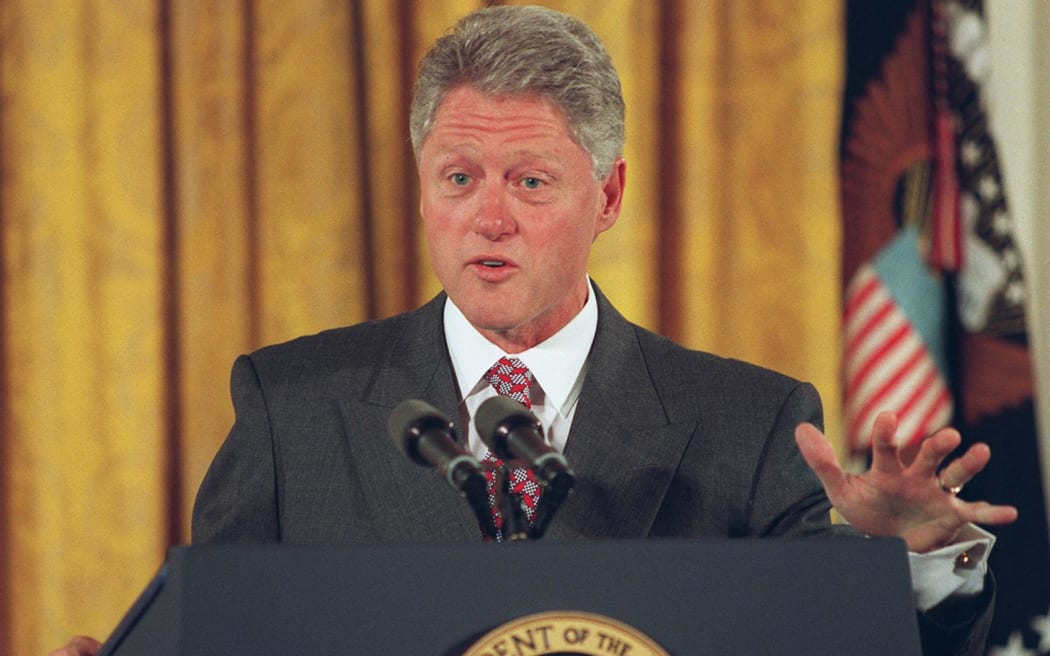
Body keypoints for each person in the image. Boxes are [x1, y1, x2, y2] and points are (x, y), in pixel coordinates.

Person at [52, 5, 1017, 656]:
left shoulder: (748, 423)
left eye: (531, 180)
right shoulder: (292, 409)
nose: (489, 218)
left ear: (609, 195)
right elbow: (221, 632)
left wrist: (911, 568)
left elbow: (837, 647)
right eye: (459, 178)